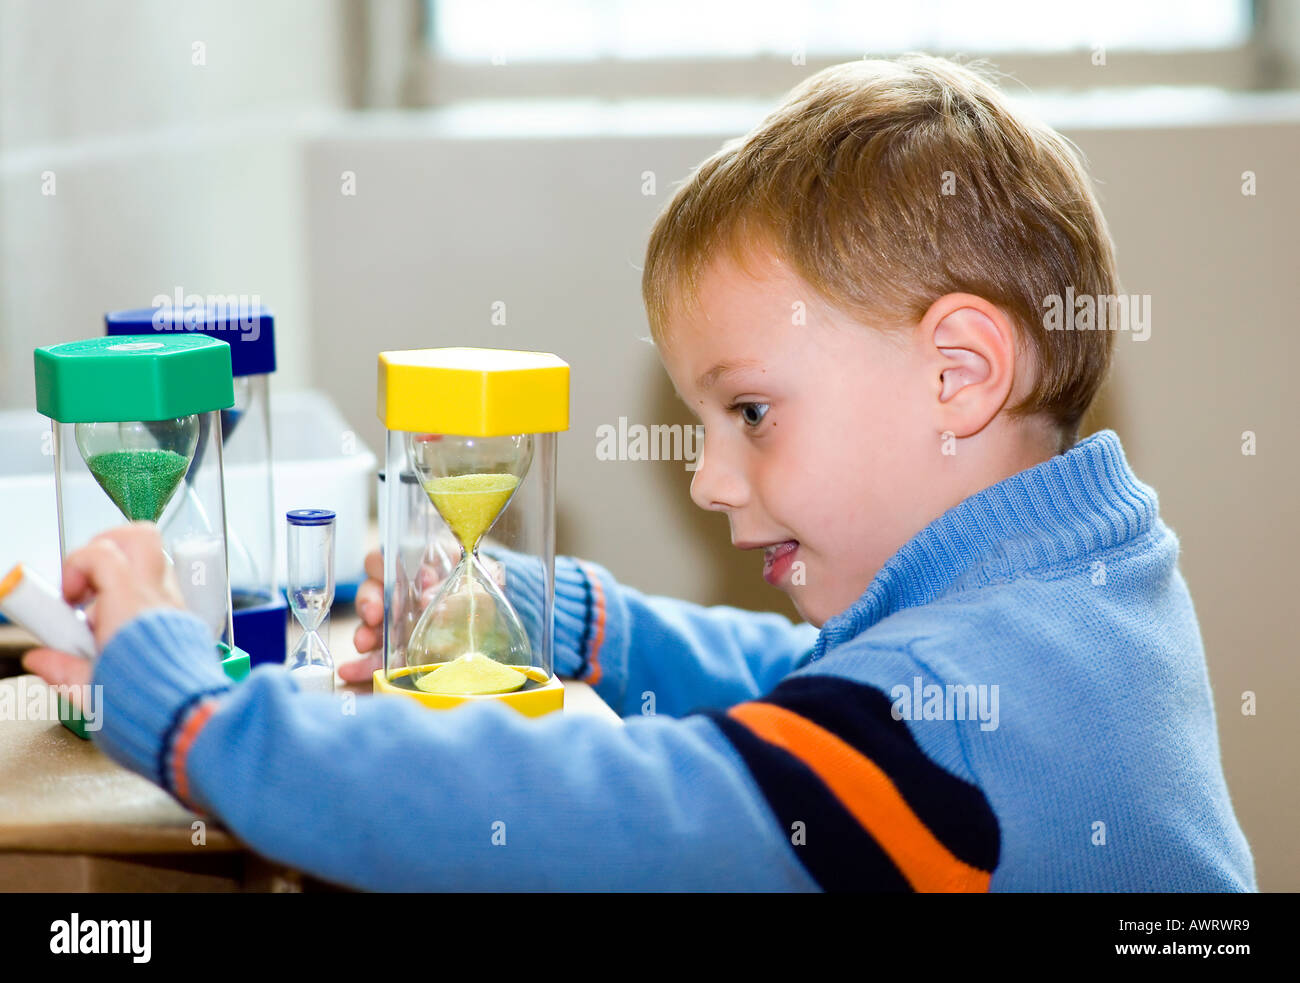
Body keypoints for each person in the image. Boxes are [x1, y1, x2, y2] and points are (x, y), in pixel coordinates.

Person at [24, 54, 1256, 891]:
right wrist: (574, 621)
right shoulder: (1068, 604)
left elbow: (582, 809)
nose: (710, 478)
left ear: (958, 374)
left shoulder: (955, 722)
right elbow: (815, 686)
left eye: (751, 411)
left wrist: (195, 714)